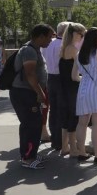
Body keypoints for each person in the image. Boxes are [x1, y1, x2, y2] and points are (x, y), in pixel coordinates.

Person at [9, 23, 55, 169]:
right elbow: (30, 74)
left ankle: (31, 154)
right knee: (31, 125)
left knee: (32, 124)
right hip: (25, 93)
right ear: (40, 36)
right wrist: (40, 93)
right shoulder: (29, 51)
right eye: (49, 37)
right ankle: (28, 158)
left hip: (27, 92)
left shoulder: (34, 49)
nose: (50, 40)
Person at [72, 27, 97, 164]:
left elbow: (74, 76)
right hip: (96, 90)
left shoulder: (78, 54)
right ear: (96, 39)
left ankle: (81, 152)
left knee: (82, 123)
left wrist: (85, 81)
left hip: (83, 90)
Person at [59, 22, 86, 158]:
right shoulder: (73, 50)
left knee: (66, 117)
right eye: (81, 34)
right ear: (74, 34)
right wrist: (84, 79)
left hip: (64, 86)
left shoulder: (64, 48)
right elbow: (75, 76)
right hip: (72, 87)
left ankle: (65, 147)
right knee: (73, 117)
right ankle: (73, 149)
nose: (82, 37)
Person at [41, 21, 69, 151]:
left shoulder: (48, 45)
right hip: (60, 78)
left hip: (50, 77)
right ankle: (60, 141)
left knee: (53, 111)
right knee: (62, 110)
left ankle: (55, 140)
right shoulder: (63, 46)